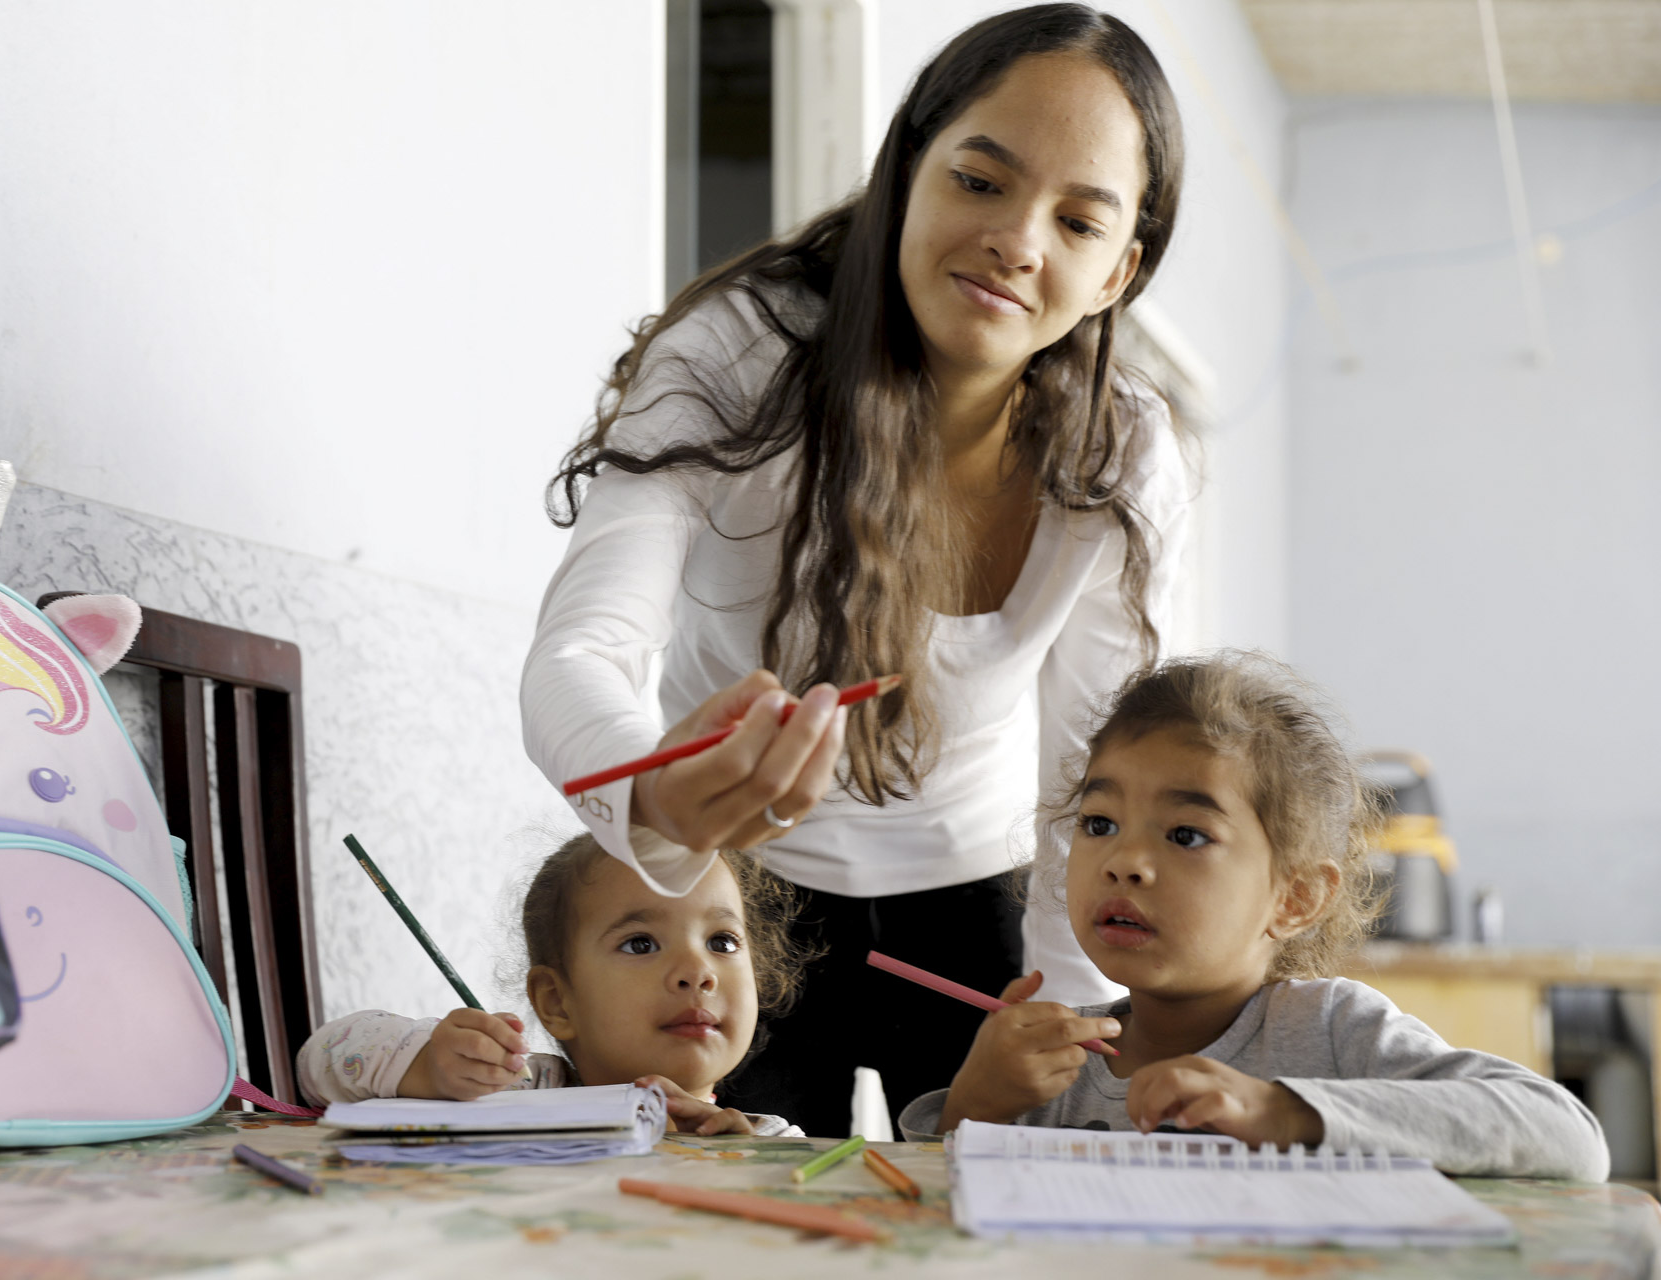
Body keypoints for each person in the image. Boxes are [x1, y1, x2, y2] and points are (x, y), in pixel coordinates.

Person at [523, 3, 1191, 1134]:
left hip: (983, 910)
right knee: (720, 1220)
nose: (1019, 241)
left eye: (1077, 222)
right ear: (907, 168)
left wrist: (1070, 1023)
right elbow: (579, 653)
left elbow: (1093, 770)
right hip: (739, 909)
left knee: (971, 1211)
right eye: (980, 180)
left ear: (1119, 271)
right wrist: (653, 792)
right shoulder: (740, 354)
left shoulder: (1119, 451)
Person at [899, 654, 1610, 1181]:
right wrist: (977, 1103)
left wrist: (1286, 1113)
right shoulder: (1056, 1064)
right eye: (1098, 822)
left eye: (1185, 835)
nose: (1124, 862)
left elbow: (1571, 1139)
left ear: (1295, 898)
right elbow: (936, 1218)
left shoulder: (1329, 1030)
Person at [296, 833, 810, 1137]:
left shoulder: (769, 1140)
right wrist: (427, 1066)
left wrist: (745, 1170)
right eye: (640, 944)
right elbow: (321, 1062)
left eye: (722, 942)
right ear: (557, 1001)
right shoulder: (517, 1092)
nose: (698, 971)